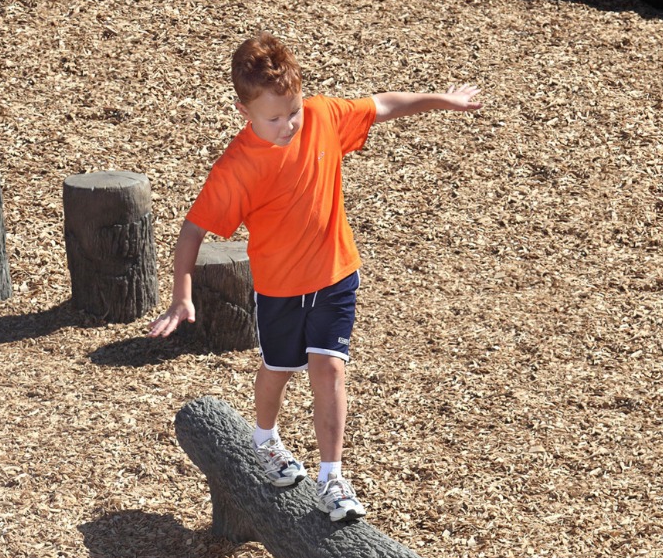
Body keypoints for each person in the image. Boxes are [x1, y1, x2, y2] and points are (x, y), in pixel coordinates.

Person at [149, 33, 481, 522]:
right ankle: (265, 438)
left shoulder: (323, 116)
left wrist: (442, 100)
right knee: (279, 369)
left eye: (293, 111)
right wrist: (182, 295)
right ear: (245, 112)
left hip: (335, 274)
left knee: (329, 367)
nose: (288, 125)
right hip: (279, 288)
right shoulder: (237, 169)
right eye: (273, 118)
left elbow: (383, 105)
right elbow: (193, 230)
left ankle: (332, 476)